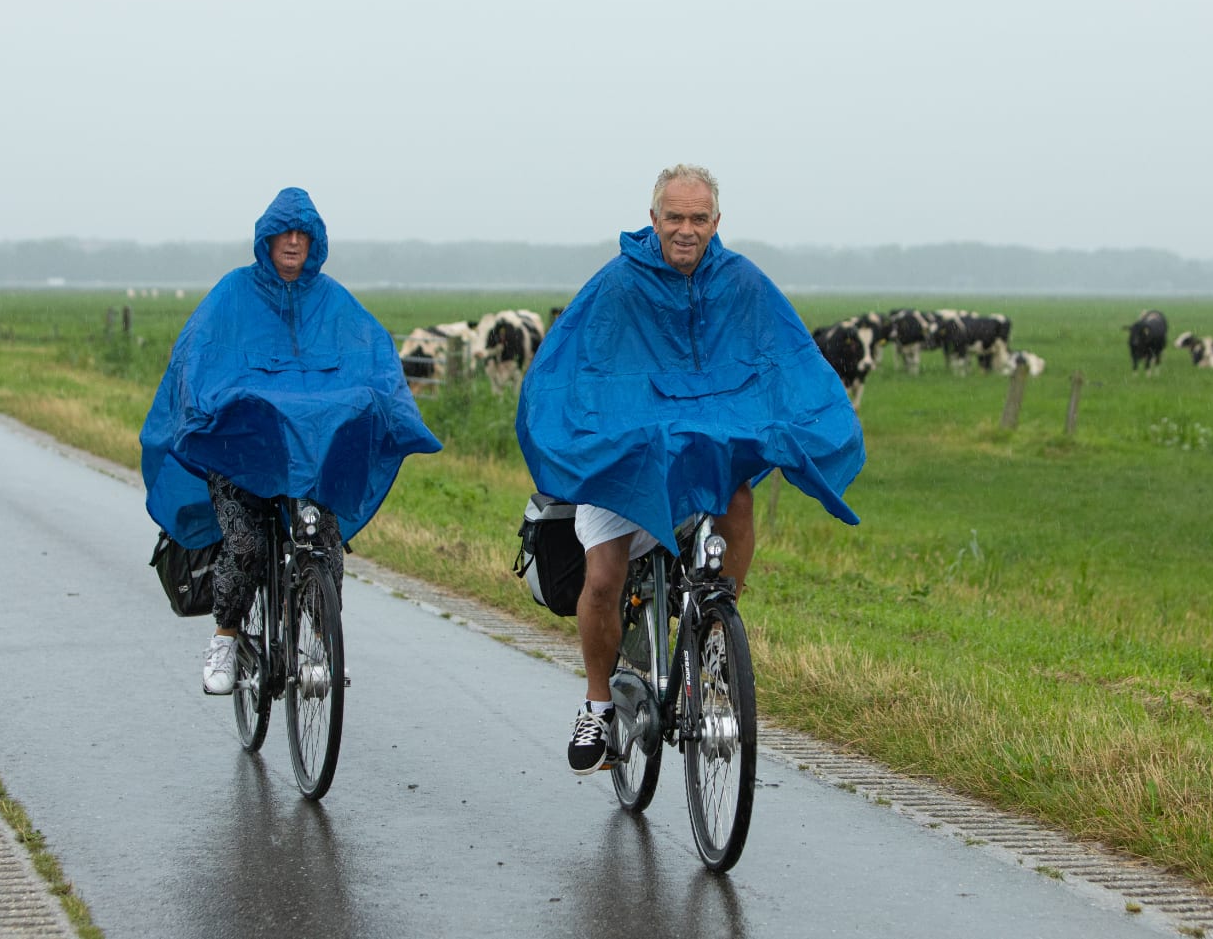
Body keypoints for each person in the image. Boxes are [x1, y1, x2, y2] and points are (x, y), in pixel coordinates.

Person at [515, 164, 866, 774]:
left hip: (703, 452)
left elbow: (785, 357)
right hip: (627, 458)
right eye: (674, 217)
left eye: (698, 218)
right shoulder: (618, 285)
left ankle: (715, 631)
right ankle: (597, 706)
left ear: (716, 223)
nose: (686, 229)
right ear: (653, 220)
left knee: (739, 499)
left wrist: (799, 421)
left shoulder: (742, 282)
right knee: (603, 576)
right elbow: (572, 369)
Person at [141, 187, 441, 694]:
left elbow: (375, 356)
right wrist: (213, 406)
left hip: (307, 458)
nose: (294, 242)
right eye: (286, 232)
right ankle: (226, 638)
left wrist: (386, 404)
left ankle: (323, 643)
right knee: (245, 544)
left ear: (315, 242)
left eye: (304, 233)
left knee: (324, 540)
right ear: (268, 238)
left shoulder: (333, 301)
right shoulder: (233, 294)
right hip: (239, 455)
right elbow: (196, 357)